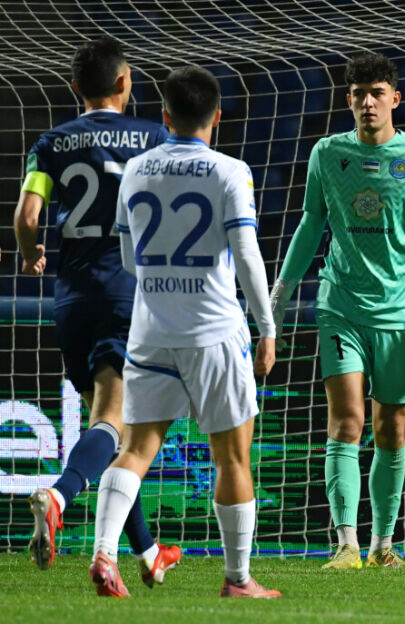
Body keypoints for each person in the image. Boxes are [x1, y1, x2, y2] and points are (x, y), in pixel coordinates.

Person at [270, 52, 405, 570]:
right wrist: (280, 293)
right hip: (340, 305)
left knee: (392, 429)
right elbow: (311, 223)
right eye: (359, 94)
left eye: (377, 93)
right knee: (347, 420)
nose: (367, 103)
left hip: (400, 315)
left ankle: (383, 545)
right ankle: (346, 544)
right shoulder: (327, 153)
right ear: (348, 100)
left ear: (395, 99)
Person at [89, 65, 279, 598]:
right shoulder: (230, 171)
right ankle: (238, 580)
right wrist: (266, 326)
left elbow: (129, 257)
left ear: (165, 115)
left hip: (150, 330)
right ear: (216, 117)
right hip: (213, 333)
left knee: (135, 449)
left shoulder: (136, 169)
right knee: (232, 457)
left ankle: (105, 554)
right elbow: (247, 255)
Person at [13, 35, 180, 584]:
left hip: (72, 296)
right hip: (127, 291)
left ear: (73, 88)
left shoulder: (51, 143)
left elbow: (28, 217)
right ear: (125, 82)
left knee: (107, 425)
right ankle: (59, 496)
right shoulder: (153, 137)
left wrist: (30, 254)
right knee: (116, 419)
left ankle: (147, 552)